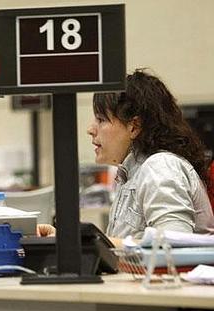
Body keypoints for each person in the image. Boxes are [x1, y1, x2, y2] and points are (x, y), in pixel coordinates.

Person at [87, 68, 214, 246]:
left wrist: (91, 244)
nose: (91, 130)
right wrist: (70, 241)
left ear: (134, 126)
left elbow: (172, 247)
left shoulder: (161, 166)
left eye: (101, 119)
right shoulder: (131, 173)